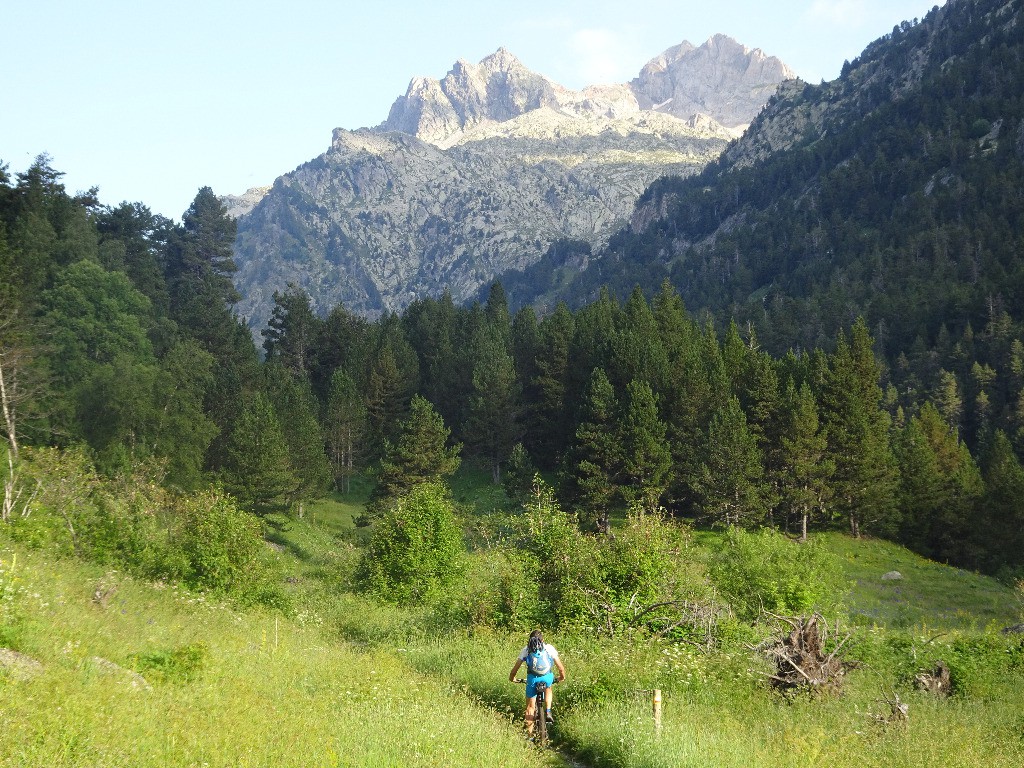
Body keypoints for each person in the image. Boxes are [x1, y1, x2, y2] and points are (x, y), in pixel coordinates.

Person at [508, 629, 566, 733]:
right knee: (548, 687)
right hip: (547, 677)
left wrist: (512, 678)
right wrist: (561, 677)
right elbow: (561, 668)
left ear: (530, 640)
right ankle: (548, 711)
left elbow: (514, 669)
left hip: (532, 679)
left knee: (530, 707)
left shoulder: (526, 650)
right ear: (543, 639)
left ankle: (530, 737)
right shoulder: (549, 648)